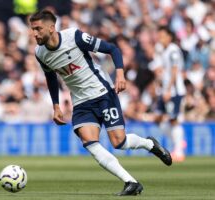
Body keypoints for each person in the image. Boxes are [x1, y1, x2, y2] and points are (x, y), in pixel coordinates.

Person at [30, 10, 172, 196]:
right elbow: (50, 77)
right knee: (89, 142)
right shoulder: (40, 53)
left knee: (119, 142)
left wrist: (120, 74)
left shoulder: (74, 37)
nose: (34, 33)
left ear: (51, 27)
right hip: (80, 102)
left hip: (102, 92)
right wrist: (56, 106)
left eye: (38, 28)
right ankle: (131, 182)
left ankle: (149, 144)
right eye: (32, 29)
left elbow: (113, 49)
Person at [155, 26, 187, 162]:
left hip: (175, 91)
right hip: (166, 90)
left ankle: (179, 150)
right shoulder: (165, 51)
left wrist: (168, 90)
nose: (160, 38)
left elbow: (175, 71)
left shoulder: (173, 50)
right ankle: (179, 142)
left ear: (169, 36)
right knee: (158, 118)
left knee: (173, 119)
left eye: (162, 36)